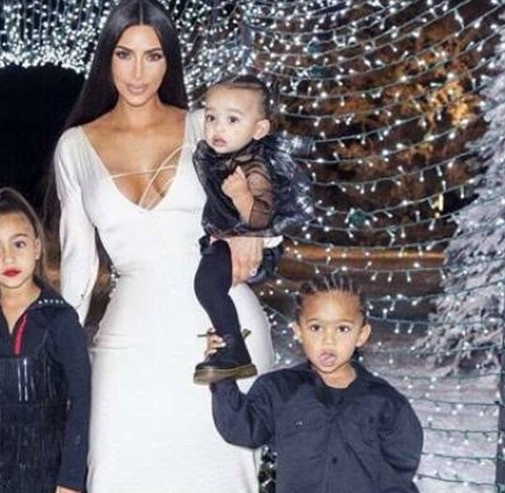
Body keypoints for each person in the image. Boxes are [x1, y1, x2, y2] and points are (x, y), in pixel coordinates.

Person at [52, 0, 274, 490]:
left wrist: (251, 232)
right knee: (115, 474)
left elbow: (266, 183)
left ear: (169, 60)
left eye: (152, 56)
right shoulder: (75, 147)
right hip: (129, 343)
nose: (138, 73)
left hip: (220, 332)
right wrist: (59, 352)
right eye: (125, 54)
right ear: (106, 58)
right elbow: (78, 267)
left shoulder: (204, 125)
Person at [209, 274, 424, 493]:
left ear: (361, 334)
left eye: (342, 328)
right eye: (316, 328)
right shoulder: (279, 390)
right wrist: (222, 370)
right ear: (298, 331)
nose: (328, 340)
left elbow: (401, 468)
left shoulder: (386, 403)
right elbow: (240, 428)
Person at [0, 188, 91, 493]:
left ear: (37, 247)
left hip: (46, 475)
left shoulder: (60, 320)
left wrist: (71, 479)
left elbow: (81, 401)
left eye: (19, 243)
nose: (8, 257)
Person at [192, 75, 314, 385]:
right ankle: (231, 345)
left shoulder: (256, 167)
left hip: (253, 240)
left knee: (207, 285)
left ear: (259, 129)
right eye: (211, 118)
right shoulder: (219, 155)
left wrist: (241, 196)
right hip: (224, 236)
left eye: (232, 119)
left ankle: (234, 348)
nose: (218, 128)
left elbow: (261, 220)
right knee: (207, 284)